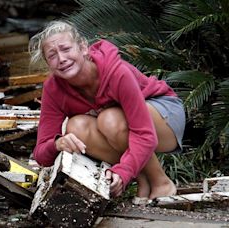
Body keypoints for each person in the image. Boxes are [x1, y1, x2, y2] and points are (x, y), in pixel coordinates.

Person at [29, 20, 186, 201]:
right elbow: (41, 154)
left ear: (83, 48)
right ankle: (144, 179)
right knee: (76, 127)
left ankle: (161, 182)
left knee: (109, 119)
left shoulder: (117, 72)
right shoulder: (53, 89)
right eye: (52, 55)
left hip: (163, 115)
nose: (62, 59)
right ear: (48, 64)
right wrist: (57, 144)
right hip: (126, 129)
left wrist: (124, 171)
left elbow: (145, 135)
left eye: (66, 49)